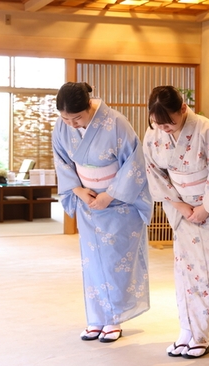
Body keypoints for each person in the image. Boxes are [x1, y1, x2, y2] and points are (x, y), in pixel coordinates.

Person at [142, 85, 209, 359]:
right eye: (157, 122)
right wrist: (181, 205)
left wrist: (204, 207)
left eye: (170, 122)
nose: (164, 128)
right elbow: (155, 173)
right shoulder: (153, 136)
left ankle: (202, 334)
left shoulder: (208, 131)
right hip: (182, 210)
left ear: (184, 109)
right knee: (186, 272)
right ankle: (186, 330)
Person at [51, 82, 153, 343]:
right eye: (65, 118)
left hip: (119, 204)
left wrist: (110, 194)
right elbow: (61, 160)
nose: (71, 124)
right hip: (88, 203)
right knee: (92, 263)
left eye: (77, 118)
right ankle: (97, 318)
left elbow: (134, 161)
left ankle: (114, 319)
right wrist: (78, 190)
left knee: (115, 262)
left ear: (89, 106)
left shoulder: (116, 122)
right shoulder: (62, 126)